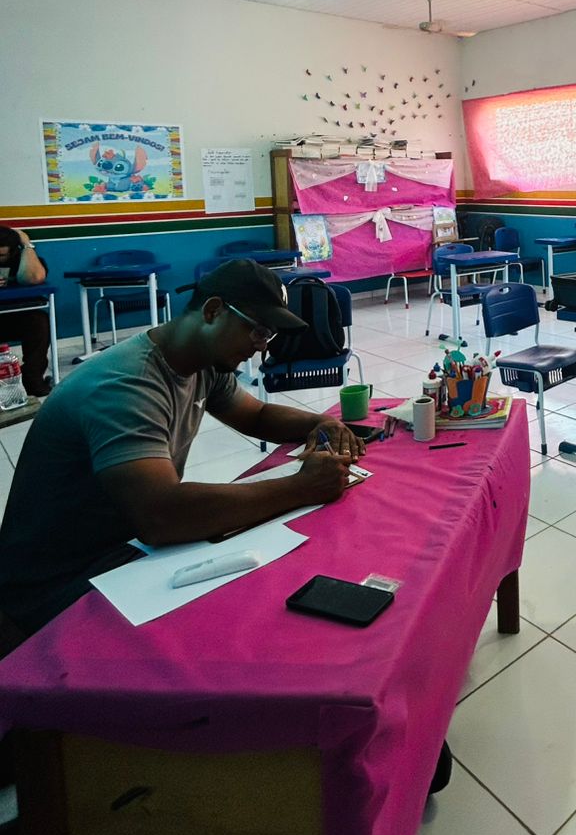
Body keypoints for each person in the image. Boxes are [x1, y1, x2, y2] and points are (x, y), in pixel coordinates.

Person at [0, 259, 364, 637]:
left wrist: (320, 423)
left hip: (125, 547)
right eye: (258, 330)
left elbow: (255, 415)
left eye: (268, 335)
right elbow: (161, 517)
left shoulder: (202, 361)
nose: (260, 347)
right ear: (213, 311)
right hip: (55, 584)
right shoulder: (126, 386)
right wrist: (302, 487)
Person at [0, 227, 52, 397]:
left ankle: (32, 379)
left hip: (13, 318)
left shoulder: (25, 260)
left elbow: (34, 278)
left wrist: (26, 245)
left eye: (1, 256)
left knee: (38, 320)